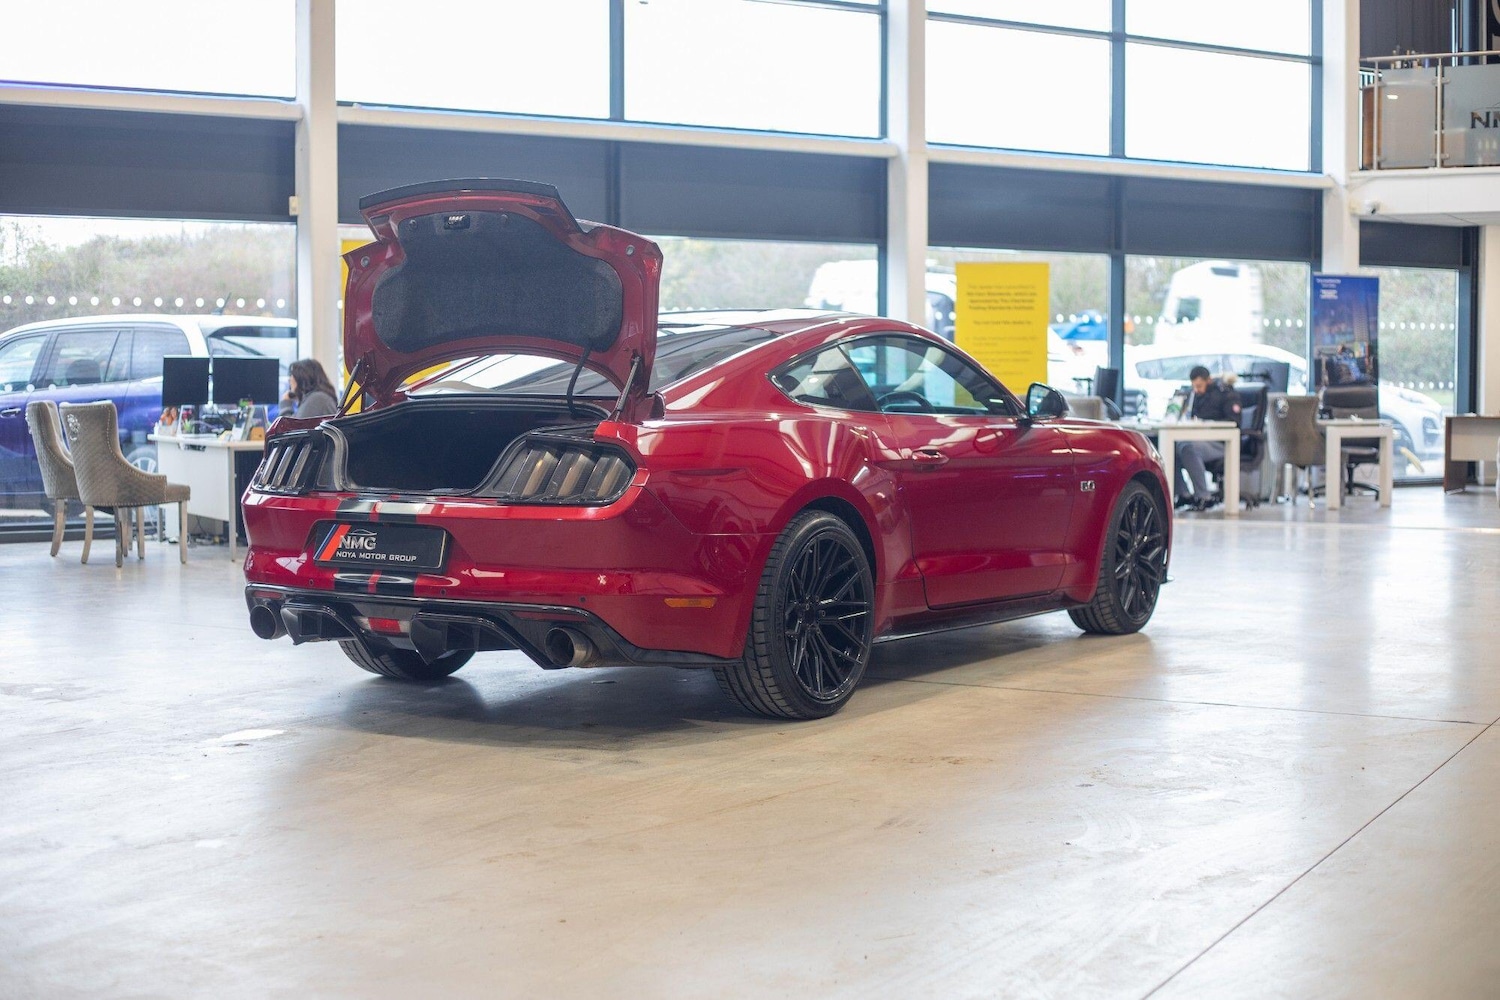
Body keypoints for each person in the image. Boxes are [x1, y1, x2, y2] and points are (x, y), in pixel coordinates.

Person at [1174, 365, 1242, 511]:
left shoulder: (1225, 394)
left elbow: (1235, 422)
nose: (1197, 390)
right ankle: (1183, 494)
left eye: (1199, 386)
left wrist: (1208, 424)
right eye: (1194, 386)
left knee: (1187, 448)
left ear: (1208, 380)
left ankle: (1204, 496)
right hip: (1199, 438)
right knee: (1172, 447)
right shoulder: (1194, 396)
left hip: (1222, 443)